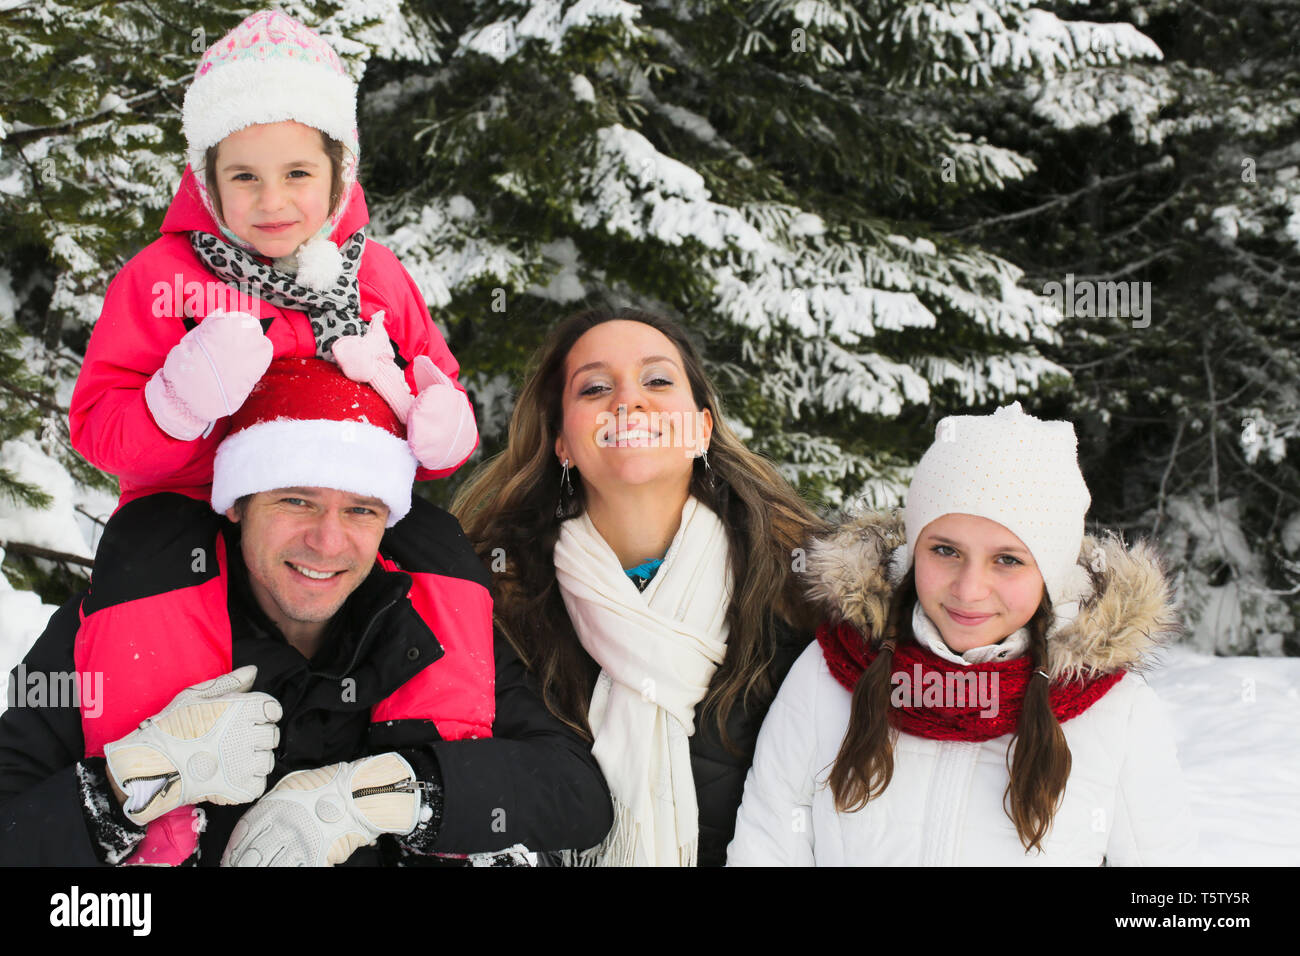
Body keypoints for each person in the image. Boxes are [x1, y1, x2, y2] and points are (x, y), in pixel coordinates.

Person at [0, 358, 611, 866]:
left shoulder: (430, 618)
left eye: (361, 511)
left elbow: (576, 793)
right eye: (297, 500)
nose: (327, 541)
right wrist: (137, 777)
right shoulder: (113, 621)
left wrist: (380, 796)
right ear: (238, 503)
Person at [727, 402, 1199, 865]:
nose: (969, 590)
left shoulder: (1116, 710)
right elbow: (768, 841)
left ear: (1051, 574)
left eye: (1008, 559)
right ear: (915, 552)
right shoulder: (828, 674)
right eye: (945, 550)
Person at [453, 307, 827, 866]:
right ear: (561, 442)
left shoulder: (810, 602)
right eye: (595, 388)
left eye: (656, 380)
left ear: (701, 427)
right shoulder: (487, 610)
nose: (628, 403)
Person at [69, 9, 477, 512]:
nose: (272, 201)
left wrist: (446, 434)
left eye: (297, 174)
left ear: (340, 175)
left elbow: (436, 380)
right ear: (208, 181)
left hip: (349, 514)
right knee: (153, 591)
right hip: (192, 512)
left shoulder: (377, 276)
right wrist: (175, 405)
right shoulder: (161, 281)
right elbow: (100, 431)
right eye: (245, 177)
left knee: (448, 581)